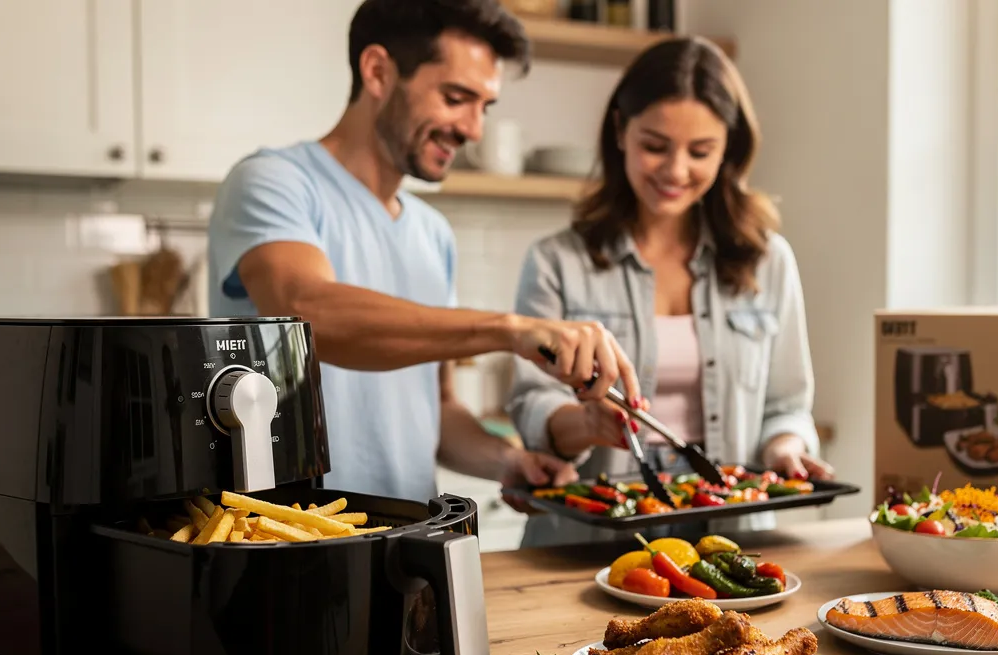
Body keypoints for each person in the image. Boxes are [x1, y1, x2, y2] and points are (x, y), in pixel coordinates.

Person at [205, 0, 640, 503]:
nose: (473, 129)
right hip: (292, 541)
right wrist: (509, 330)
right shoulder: (273, 182)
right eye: (456, 97)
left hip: (412, 544)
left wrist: (510, 461)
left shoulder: (433, 233)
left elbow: (438, 410)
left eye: (484, 106)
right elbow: (307, 313)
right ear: (377, 72)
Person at [506, 36, 832, 547]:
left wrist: (786, 449)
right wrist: (587, 421)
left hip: (731, 530)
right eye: (655, 146)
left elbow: (786, 405)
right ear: (620, 130)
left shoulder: (767, 261)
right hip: (589, 538)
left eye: (700, 151)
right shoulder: (557, 262)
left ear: (729, 147)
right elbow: (532, 408)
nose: (675, 171)